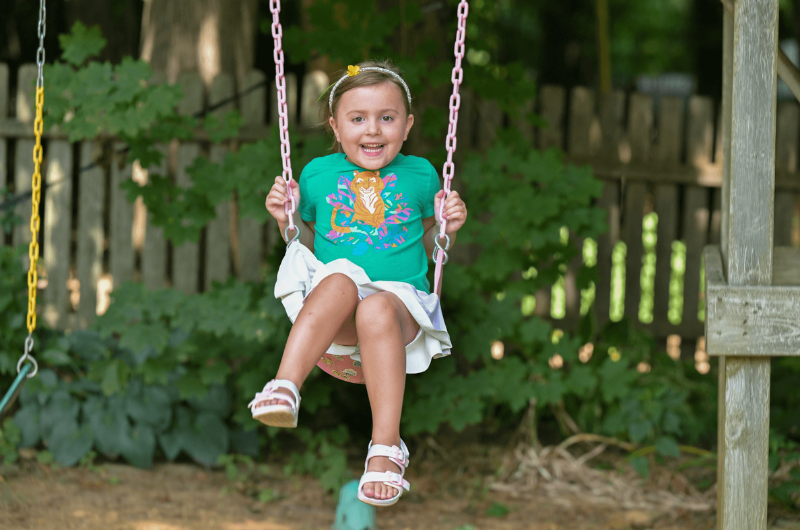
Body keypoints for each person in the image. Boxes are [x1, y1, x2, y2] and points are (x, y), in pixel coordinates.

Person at [248, 60, 468, 507]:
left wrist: (447, 227)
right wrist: (284, 220)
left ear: (406, 125)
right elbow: (305, 243)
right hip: (335, 315)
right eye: (358, 119)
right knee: (341, 278)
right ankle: (287, 386)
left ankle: (386, 449)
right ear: (335, 125)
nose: (373, 131)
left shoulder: (422, 174)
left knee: (376, 305)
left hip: (397, 310)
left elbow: (429, 244)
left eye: (386, 118)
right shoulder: (316, 174)